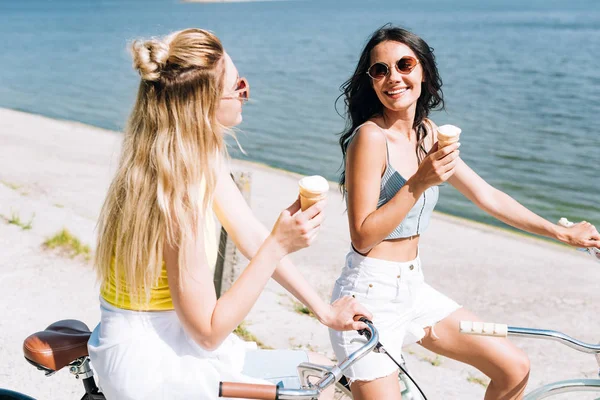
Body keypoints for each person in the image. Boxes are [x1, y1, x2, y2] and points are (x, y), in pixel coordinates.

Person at [87, 28, 371, 400]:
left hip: (172, 338)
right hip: (151, 364)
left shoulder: (194, 156)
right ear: (203, 103)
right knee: (309, 386)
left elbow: (251, 235)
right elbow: (208, 332)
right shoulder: (177, 194)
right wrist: (278, 245)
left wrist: (324, 310)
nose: (245, 92)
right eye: (236, 84)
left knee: (316, 371)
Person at [328, 25, 600, 400]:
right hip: (368, 296)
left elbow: (487, 196)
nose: (394, 77)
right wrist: (418, 183)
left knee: (513, 368)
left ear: (423, 70)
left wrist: (560, 233)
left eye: (404, 64)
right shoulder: (370, 138)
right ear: (371, 81)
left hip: (413, 289)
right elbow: (362, 236)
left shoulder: (427, 133)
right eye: (380, 70)